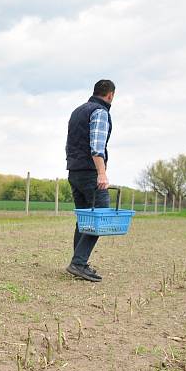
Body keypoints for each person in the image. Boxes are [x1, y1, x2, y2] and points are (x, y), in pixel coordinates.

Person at [65, 79, 115, 282]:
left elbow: (71, 143)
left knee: (84, 219)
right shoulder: (100, 112)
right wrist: (101, 173)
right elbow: (97, 146)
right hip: (90, 173)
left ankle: (79, 262)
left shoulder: (77, 111)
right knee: (101, 217)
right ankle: (78, 262)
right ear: (110, 95)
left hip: (74, 171)